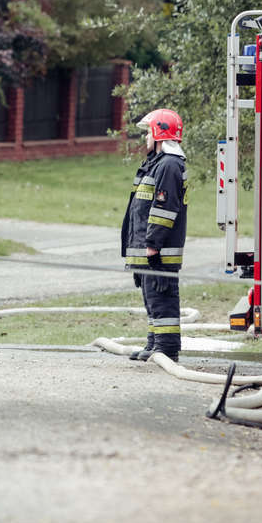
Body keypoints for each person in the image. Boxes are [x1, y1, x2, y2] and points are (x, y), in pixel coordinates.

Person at [120, 109, 188, 362]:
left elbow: (164, 209)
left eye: (149, 132)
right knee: (152, 299)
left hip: (159, 251)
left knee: (162, 299)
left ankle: (167, 348)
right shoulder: (157, 163)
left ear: (160, 134)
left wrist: (152, 245)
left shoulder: (169, 165)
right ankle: (155, 343)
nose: (146, 137)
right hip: (150, 250)